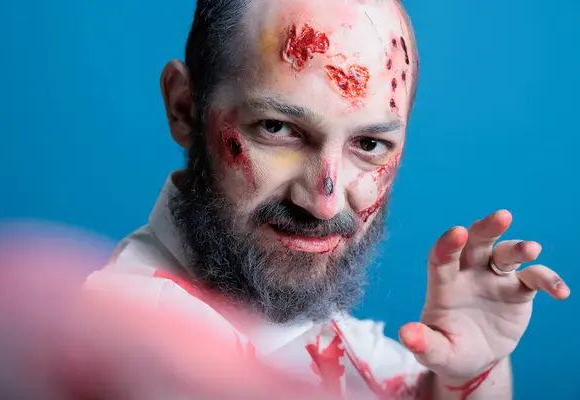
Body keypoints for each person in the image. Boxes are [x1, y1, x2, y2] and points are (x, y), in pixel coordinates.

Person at [82, 0, 570, 399]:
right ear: (185, 108)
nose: (323, 202)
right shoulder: (103, 354)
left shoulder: (350, 352)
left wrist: (468, 378)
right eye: (278, 128)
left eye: (370, 145)